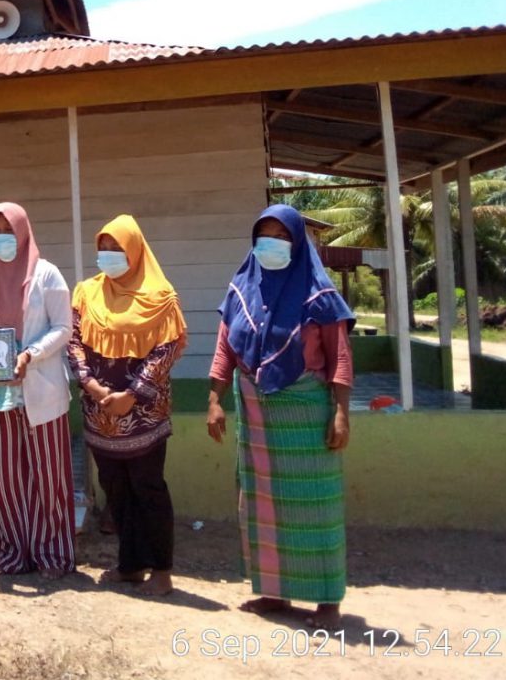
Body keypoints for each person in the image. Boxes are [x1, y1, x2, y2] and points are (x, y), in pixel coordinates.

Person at [208, 203, 354, 630]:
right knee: (262, 505)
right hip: (255, 412)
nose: (270, 245)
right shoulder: (240, 290)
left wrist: (341, 413)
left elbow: (340, 358)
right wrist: (215, 399)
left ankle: (327, 600)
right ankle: (272, 591)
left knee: (315, 506)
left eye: (281, 236)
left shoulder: (320, 297)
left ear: (298, 242)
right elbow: (225, 351)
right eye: (263, 236)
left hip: (307, 411)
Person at [68, 214, 186, 596]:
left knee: (148, 488)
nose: (108, 255)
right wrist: (92, 386)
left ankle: (162, 570)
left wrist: (132, 394)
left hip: (143, 416)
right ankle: (130, 565)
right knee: (114, 488)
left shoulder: (161, 297)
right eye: (102, 249)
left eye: (116, 249)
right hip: (99, 412)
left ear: (134, 251)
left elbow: (167, 350)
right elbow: (73, 341)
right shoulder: (86, 292)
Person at [0, 203, 75, 579]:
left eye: (8, 230)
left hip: (40, 392)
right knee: (5, 478)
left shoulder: (46, 275)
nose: (2, 238)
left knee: (49, 475)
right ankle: (12, 552)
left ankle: (53, 555)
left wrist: (30, 354)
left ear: (24, 231)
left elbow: (64, 328)